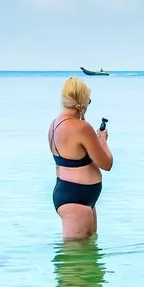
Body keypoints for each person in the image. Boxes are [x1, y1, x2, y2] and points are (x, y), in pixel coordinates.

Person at [49, 77, 113, 241]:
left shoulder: (54, 125)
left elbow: (73, 155)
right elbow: (106, 163)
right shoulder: (82, 128)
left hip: (70, 193)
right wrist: (102, 140)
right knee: (76, 259)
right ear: (83, 100)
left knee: (88, 257)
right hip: (76, 199)